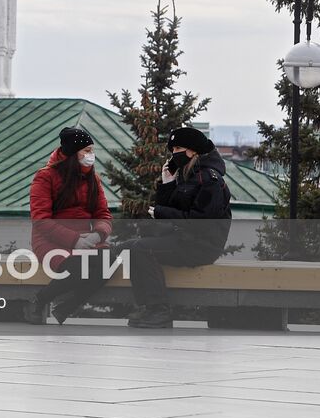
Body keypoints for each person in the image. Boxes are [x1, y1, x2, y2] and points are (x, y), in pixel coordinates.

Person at [125, 125, 233, 329]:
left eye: (178, 149)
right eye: (172, 150)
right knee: (131, 247)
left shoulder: (210, 180)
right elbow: (172, 209)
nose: (174, 154)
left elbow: (200, 223)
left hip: (202, 245)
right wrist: (167, 184)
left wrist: (161, 212)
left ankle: (159, 310)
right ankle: (149, 308)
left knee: (141, 249)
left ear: (193, 151)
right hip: (185, 240)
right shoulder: (188, 175)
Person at [25, 126, 114, 325]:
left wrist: (97, 235)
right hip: (50, 241)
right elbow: (40, 219)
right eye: (87, 151)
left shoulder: (93, 178)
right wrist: (74, 241)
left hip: (86, 239)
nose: (92, 155)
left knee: (109, 261)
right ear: (74, 153)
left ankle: (67, 306)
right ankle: (39, 300)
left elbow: (103, 214)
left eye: (92, 150)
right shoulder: (45, 177)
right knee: (78, 267)